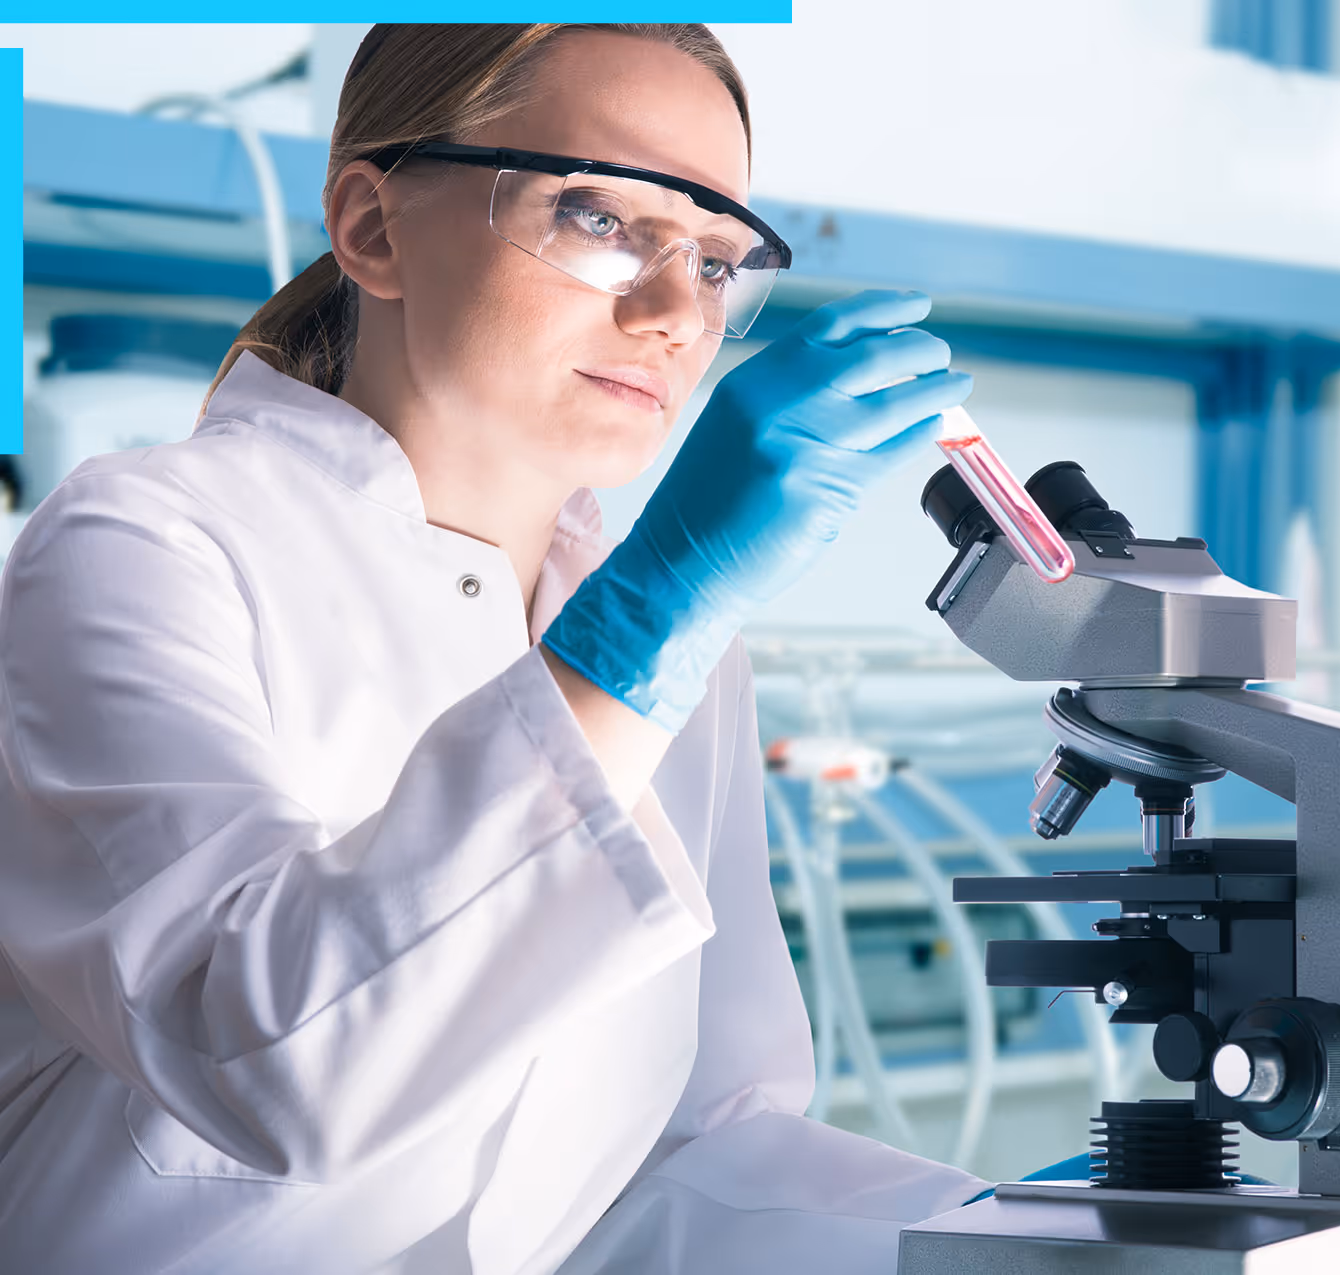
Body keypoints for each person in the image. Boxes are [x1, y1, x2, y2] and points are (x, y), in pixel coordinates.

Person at [0, 22, 985, 1275]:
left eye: (719, 258)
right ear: (370, 227)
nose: (679, 312)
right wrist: (646, 627)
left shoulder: (679, 646)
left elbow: (690, 1144)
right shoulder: (141, 543)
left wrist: (1020, 1241)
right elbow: (271, 1065)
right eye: (600, 218)